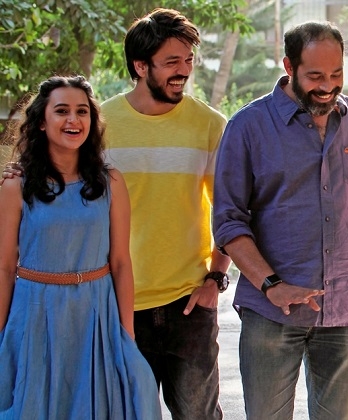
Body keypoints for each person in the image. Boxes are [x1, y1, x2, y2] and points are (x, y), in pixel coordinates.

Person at [213, 21, 348, 420]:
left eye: (336, 74)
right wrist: (272, 285)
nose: (328, 86)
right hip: (272, 311)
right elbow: (228, 221)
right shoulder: (248, 127)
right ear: (289, 66)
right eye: (316, 76)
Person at [0, 75, 162, 419]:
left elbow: (121, 262)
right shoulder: (15, 185)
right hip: (34, 313)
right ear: (41, 121)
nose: (73, 120)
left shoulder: (110, 181)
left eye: (82, 111)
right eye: (62, 111)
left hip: (95, 314)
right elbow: (4, 267)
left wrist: (126, 334)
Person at [100, 9, 232, 419]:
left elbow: (230, 210)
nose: (184, 71)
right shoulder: (101, 124)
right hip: (117, 302)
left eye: (188, 60)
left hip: (188, 305)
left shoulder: (210, 125)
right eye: (172, 62)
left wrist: (215, 278)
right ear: (141, 66)